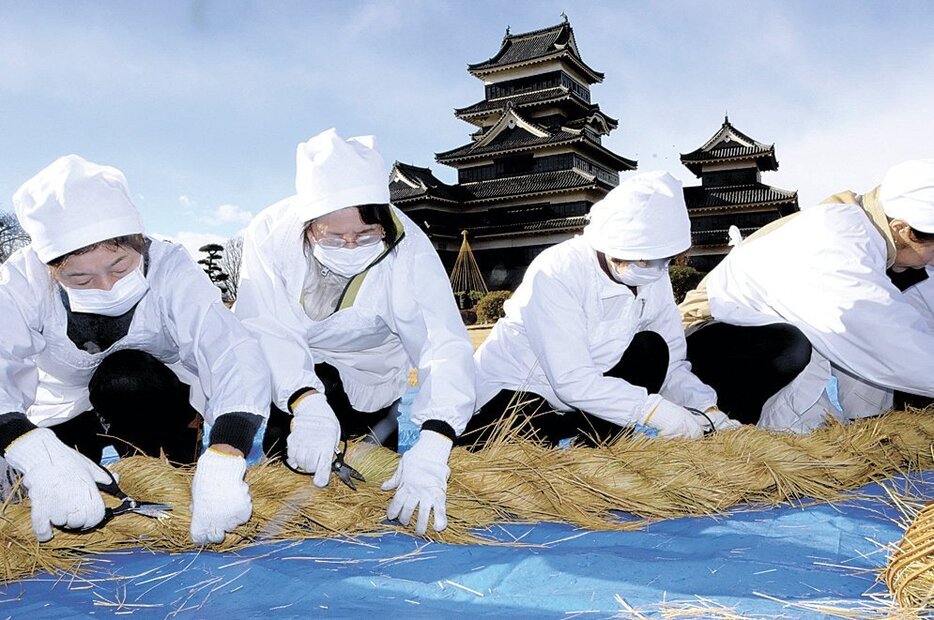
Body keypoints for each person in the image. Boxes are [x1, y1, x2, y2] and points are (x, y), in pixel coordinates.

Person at [0, 155, 271, 544]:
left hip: (150, 394)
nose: (106, 286)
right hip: (63, 404)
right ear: (51, 269)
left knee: (124, 376)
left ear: (138, 245)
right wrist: (32, 450)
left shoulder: (170, 267)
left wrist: (228, 452)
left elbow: (229, 350)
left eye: (119, 267)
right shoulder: (20, 281)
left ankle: (169, 468)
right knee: (63, 506)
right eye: (80, 277)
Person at [234, 129, 475, 536]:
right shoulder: (270, 236)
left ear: (382, 220)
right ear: (308, 226)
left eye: (365, 234)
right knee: (290, 480)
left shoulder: (408, 244)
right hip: (296, 364)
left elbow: (441, 342)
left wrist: (435, 440)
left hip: (371, 368)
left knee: (374, 485)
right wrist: (305, 402)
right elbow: (265, 327)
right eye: (332, 235)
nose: (350, 246)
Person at [465, 171, 738, 448]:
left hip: (590, 393)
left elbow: (673, 362)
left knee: (652, 349)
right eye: (643, 261)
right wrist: (650, 411)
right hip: (520, 391)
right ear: (614, 246)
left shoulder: (655, 275)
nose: (655, 270)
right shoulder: (557, 271)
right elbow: (571, 379)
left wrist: (705, 406)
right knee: (521, 448)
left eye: (664, 260)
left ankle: (585, 441)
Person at [680, 159, 934, 432]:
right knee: (791, 346)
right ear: (902, 229)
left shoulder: (875, 238)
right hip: (705, 348)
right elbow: (886, 341)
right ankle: (728, 432)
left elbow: (913, 322)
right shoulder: (836, 240)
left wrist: (872, 425)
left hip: (757, 338)